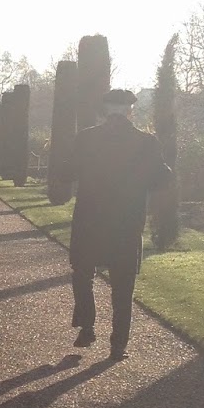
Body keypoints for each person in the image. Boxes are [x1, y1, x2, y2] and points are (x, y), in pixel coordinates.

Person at [69, 88, 172, 360]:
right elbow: (162, 179)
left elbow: (69, 172)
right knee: (123, 285)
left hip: (89, 219)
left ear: (105, 110)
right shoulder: (147, 142)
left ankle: (87, 327)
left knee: (82, 274)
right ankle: (118, 345)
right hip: (127, 221)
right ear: (130, 111)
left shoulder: (86, 138)